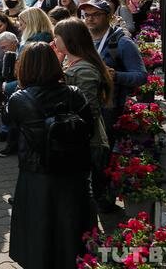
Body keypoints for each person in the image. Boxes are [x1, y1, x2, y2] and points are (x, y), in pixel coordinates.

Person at [6, 42, 95, 269]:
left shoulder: (19, 99)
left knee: (38, 235)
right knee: (72, 233)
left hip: (37, 176)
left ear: (25, 67)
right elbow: (90, 129)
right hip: (73, 174)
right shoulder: (74, 94)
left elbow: (12, 130)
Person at [53, 18, 112, 213]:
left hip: (87, 141)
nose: (54, 41)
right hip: (80, 140)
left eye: (57, 37)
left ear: (69, 40)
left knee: (84, 195)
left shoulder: (84, 69)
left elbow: (89, 111)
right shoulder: (73, 63)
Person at [79, 0, 147, 143]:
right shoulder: (82, 40)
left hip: (108, 108)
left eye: (96, 14)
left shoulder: (123, 43)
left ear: (109, 17)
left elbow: (141, 76)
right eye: (86, 15)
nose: (90, 18)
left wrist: (115, 76)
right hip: (84, 103)